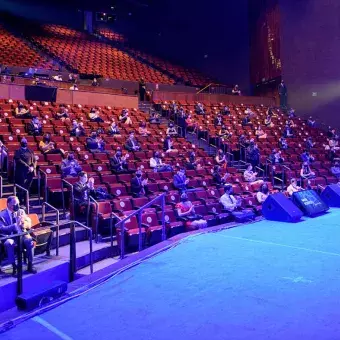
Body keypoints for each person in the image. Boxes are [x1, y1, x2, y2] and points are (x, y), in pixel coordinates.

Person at [0, 196, 37, 275]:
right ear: (8, 204)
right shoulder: (1, 215)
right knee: (9, 243)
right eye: (14, 204)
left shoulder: (21, 211)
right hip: (10, 236)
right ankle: (14, 267)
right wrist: (14, 226)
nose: (17, 205)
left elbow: (29, 223)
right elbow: (2, 228)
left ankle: (30, 264)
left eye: (18, 203)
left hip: (22, 234)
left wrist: (23, 224)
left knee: (29, 241)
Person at [14, 138, 37, 205]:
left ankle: (26, 202)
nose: (25, 143)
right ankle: (20, 202)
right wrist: (28, 166)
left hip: (30, 172)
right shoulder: (18, 151)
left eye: (26, 142)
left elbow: (34, 160)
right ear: (21, 143)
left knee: (28, 187)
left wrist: (33, 167)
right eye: (23, 142)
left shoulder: (30, 151)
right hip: (21, 171)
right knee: (21, 187)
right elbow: (18, 160)